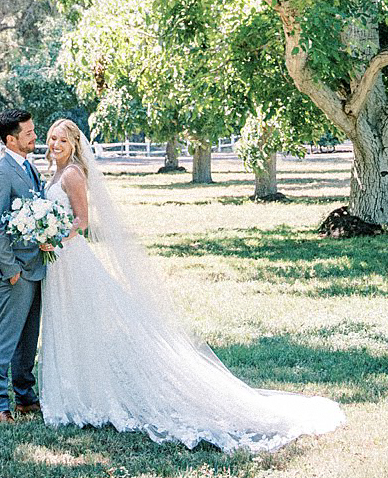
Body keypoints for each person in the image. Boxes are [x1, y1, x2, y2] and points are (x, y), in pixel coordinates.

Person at [36, 117, 344, 453]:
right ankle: (78, 390)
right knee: (72, 325)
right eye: (52, 139)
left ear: (75, 145)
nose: (55, 145)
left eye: (62, 140)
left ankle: (92, 395)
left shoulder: (72, 174)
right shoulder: (54, 172)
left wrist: (55, 236)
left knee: (86, 322)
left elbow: (81, 219)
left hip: (71, 257)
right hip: (59, 261)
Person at [0, 107, 49, 425]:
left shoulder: (32, 169)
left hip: (38, 266)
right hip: (16, 271)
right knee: (6, 338)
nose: (35, 136)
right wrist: (11, 270)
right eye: (29, 133)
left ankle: (25, 398)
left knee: (28, 338)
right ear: (11, 139)